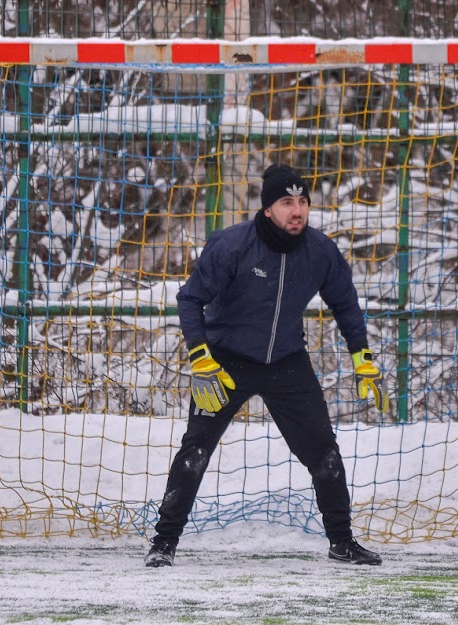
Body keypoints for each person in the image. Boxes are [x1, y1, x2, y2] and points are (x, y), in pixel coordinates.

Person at [144, 164, 389, 568]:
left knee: (324, 452)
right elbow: (190, 299)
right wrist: (200, 356)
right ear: (268, 209)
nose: (297, 211)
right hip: (224, 362)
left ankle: (342, 543)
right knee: (195, 450)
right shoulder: (231, 245)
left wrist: (362, 358)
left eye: (303, 202)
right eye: (286, 202)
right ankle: (163, 544)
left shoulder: (320, 251)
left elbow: (345, 304)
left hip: (286, 362)